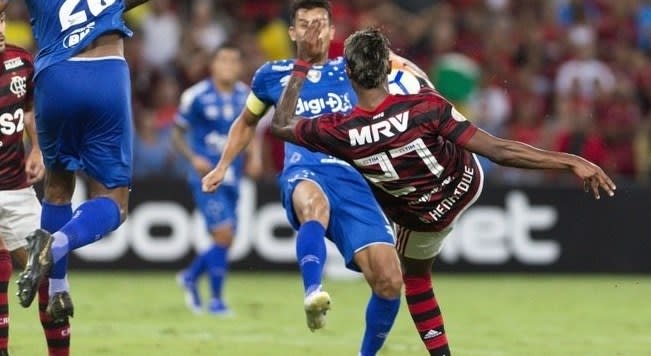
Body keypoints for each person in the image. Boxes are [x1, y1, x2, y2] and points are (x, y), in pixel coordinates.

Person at [269, 25, 617, 356]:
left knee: (416, 279)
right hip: (465, 183)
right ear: (386, 69)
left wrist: (302, 63)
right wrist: (570, 161)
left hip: (424, 218)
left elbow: (281, 124)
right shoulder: (425, 105)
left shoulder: (339, 130)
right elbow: (500, 151)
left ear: (348, 74)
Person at [202, 1, 403, 354]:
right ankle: (313, 292)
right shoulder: (271, 74)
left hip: (354, 178)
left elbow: (396, 97)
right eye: (305, 24)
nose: (313, 30)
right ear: (292, 33)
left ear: (333, 31)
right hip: (305, 168)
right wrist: (222, 165)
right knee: (314, 205)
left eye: (321, 23)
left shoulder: (354, 70)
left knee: (389, 281)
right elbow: (246, 123)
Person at [0, 0, 149, 323]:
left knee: (57, 187)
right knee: (114, 201)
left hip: (54, 77)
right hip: (106, 72)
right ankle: (53, 247)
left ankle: (57, 291)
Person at [0, 10, 71, 355]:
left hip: (16, 187)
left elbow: (29, 110)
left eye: (0, 18)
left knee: (44, 269)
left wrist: (39, 150)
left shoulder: (20, 61)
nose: (0, 28)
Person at [173, 43, 262, 315]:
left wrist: (255, 156)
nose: (228, 66)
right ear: (212, 65)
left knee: (227, 237)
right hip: (205, 176)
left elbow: (251, 129)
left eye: (234, 61)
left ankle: (190, 276)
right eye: (223, 60)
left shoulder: (246, 95)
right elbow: (176, 133)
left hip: (232, 175)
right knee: (223, 233)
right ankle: (216, 300)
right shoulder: (195, 96)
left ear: (240, 66)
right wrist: (193, 158)